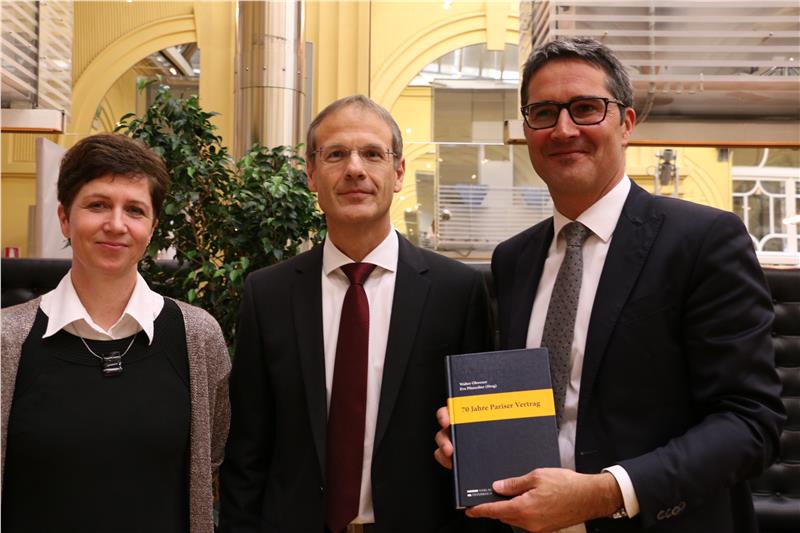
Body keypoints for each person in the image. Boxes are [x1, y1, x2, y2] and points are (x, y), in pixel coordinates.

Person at [435, 37, 785, 533]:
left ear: (626, 123)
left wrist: (604, 494)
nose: (563, 129)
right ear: (527, 130)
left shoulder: (703, 240)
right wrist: (475, 442)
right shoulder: (514, 259)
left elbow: (751, 424)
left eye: (585, 108)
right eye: (543, 112)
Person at [219, 95, 500, 533]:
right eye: (335, 154)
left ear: (398, 172)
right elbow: (247, 447)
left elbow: (479, 444)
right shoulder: (268, 293)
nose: (354, 169)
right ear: (311, 174)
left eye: (372, 153)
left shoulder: (458, 291)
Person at [1, 133, 231, 533]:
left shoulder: (198, 337)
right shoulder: (6, 340)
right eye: (98, 205)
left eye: (135, 210)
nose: (116, 225)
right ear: (64, 218)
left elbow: (211, 456)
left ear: (152, 228)